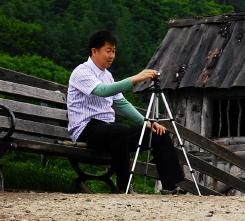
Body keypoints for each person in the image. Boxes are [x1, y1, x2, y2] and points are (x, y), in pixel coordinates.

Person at [67, 30, 186, 194]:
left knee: (157, 133)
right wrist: (134, 79)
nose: (111, 55)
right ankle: (124, 187)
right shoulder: (82, 72)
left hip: (110, 132)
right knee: (119, 129)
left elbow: (122, 103)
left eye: (114, 51)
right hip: (86, 130)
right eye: (108, 51)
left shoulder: (107, 75)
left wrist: (147, 122)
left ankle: (171, 187)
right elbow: (101, 91)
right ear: (94, 51)